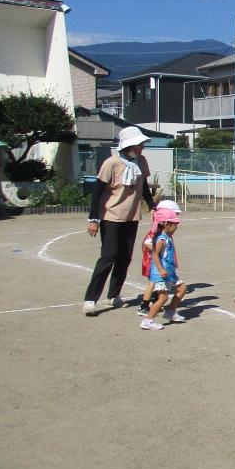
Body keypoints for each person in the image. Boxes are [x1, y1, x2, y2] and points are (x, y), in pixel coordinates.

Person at [83, 126, 157, 316]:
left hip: (131, 217)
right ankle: (91, 299)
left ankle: (113, 296)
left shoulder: (141, 161)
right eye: (140, 144)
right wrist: (93, 219)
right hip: (111, 217)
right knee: (108, 257)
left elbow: (145, 188)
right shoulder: (111, 163)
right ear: (129, 145)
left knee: (125, 257)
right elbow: (97, 192)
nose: (143, 147)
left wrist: (152, 206)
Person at [144, 207, 187, 329]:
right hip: (161, 273)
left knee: (182, 289)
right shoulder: (162, 239)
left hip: (170, 272)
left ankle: (170, 311)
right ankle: (148, 320)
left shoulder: (167, 237)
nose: (176, 228)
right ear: (167, 224)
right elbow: (155, 255)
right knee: (163, 297)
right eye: (175, 225)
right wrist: (160, 269)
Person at [137, 199, 181, 316]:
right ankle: (145, 306)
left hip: (160, 264)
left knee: (156, 286)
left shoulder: (163, 233)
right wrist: (158, 263)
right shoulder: (157, 234)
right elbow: (149, 246)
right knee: (154, 284)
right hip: (156, 264)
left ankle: (150, 304)